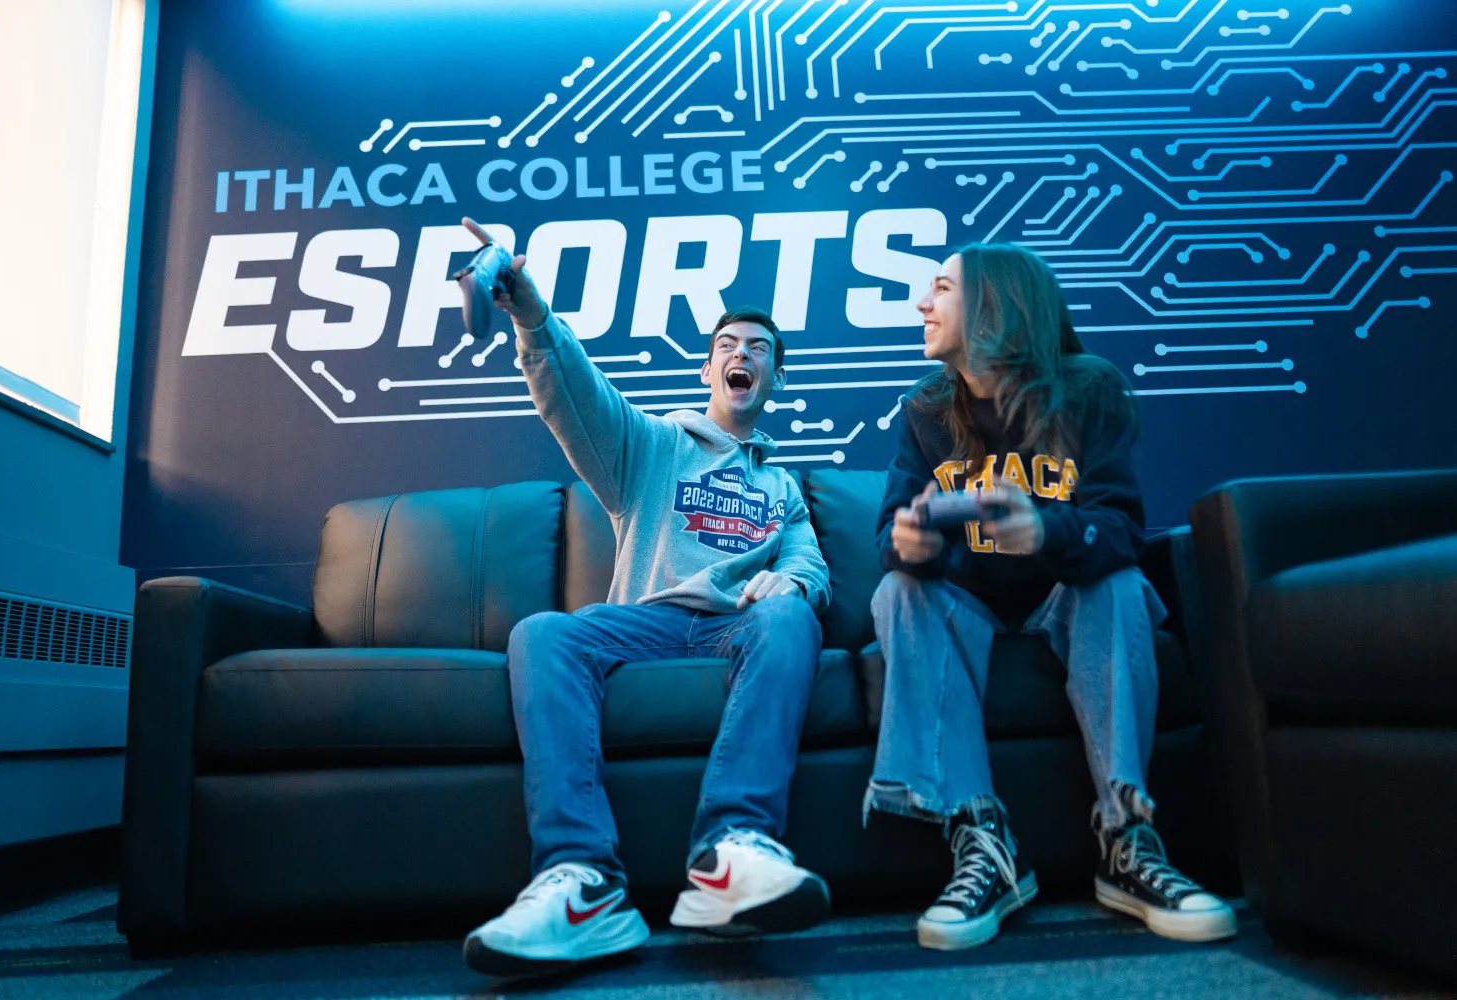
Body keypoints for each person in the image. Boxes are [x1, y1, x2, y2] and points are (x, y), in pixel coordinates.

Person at [458, 219, 833, 977]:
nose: (742, 354)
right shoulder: (652, 446)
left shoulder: (783, 488)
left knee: (792, 615)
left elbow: (810, 567)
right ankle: (582, 879)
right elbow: (576, 395)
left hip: (738, 628)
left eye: (759, 348)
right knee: (543, 633)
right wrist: (531, 315)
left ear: (776, 378)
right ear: (708, 369)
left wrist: (789, 583)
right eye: (728, 345)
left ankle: (731, 851)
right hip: (646, 624)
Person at [868, 242, 1236, 952]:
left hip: (1064, 596)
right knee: (897, 590)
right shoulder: (925, 409)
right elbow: (890, 531)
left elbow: (1121, 528)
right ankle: (984, 841)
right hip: (968, 604)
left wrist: (1042, 530)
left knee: (1121, 583)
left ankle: (1128, 839)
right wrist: (910, 543)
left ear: (994, 306)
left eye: (942, 288)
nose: (922, 302)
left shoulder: (1088, 391)